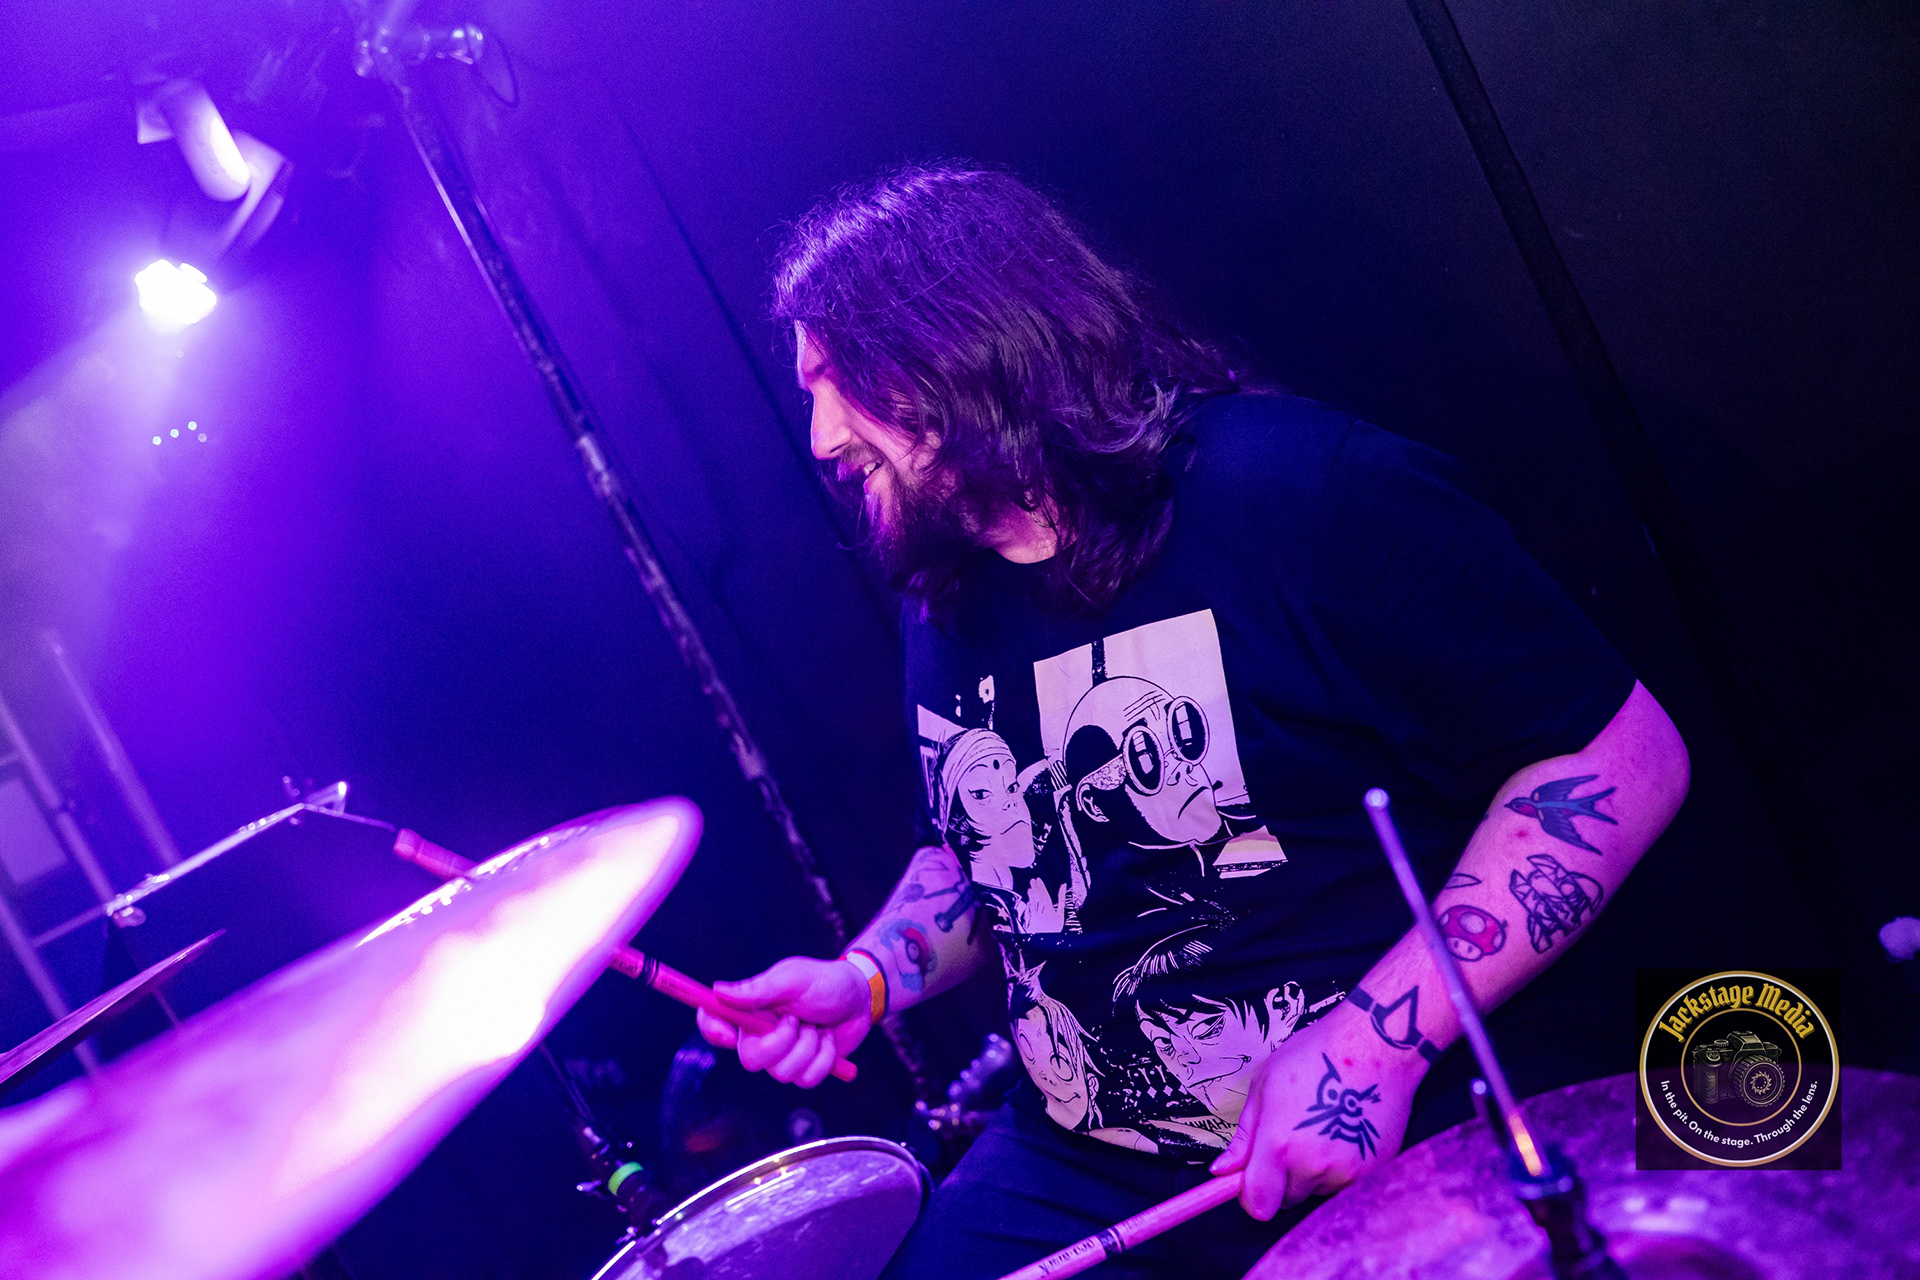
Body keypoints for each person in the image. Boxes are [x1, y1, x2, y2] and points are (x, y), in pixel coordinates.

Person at [694, 165, 1690, 1279]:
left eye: (842, 383)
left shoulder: (1303, 492)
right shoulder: (947, 591)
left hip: (1381, 1119)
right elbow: (993, 856)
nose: (823, 437)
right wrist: (870, 976)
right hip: (1078, 1159)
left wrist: (1370, 1044)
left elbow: (1624, 758)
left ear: (959, 346)